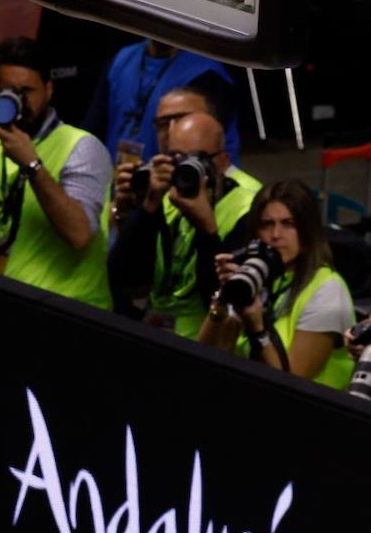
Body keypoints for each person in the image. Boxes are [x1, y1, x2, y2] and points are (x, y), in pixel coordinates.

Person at [0, 37, 112, 308]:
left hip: (69, 308)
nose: (19, 100)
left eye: (27, 91)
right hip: (5, 297)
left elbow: (79, 234)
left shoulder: (81, 146)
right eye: (8, 90)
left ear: (49, 90)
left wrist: (32, 165)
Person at [108, 111, 262, 338]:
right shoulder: (165, 195)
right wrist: (148, 207)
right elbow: (126, 280)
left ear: (222, 161)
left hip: (208, 343)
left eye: (197, 159)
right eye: (177, 158)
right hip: (155, 332)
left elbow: (225, 299)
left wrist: (207, 229)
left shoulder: (247, 207)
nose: (186, 169)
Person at [199, 179, 356, 388]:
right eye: (267, 224)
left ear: (307, 231)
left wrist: (257, 329)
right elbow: (201, 357)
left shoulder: (328, 289)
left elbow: (292, 386)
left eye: (288, 224)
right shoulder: (257, 276)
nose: (275, 235)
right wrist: (223, 297)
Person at [84, 37, 241, 164]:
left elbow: (205, 146)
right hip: (124, 183)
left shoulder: (206, 72)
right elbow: (93, 130)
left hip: (183, 186)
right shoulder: (122, 60)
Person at [110, 85, 220, 226]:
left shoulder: (241, 195)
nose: (172, 130)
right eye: (163, 124)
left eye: (183, 119)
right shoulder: (156, 186)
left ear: (214, 123)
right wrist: (126, 212)